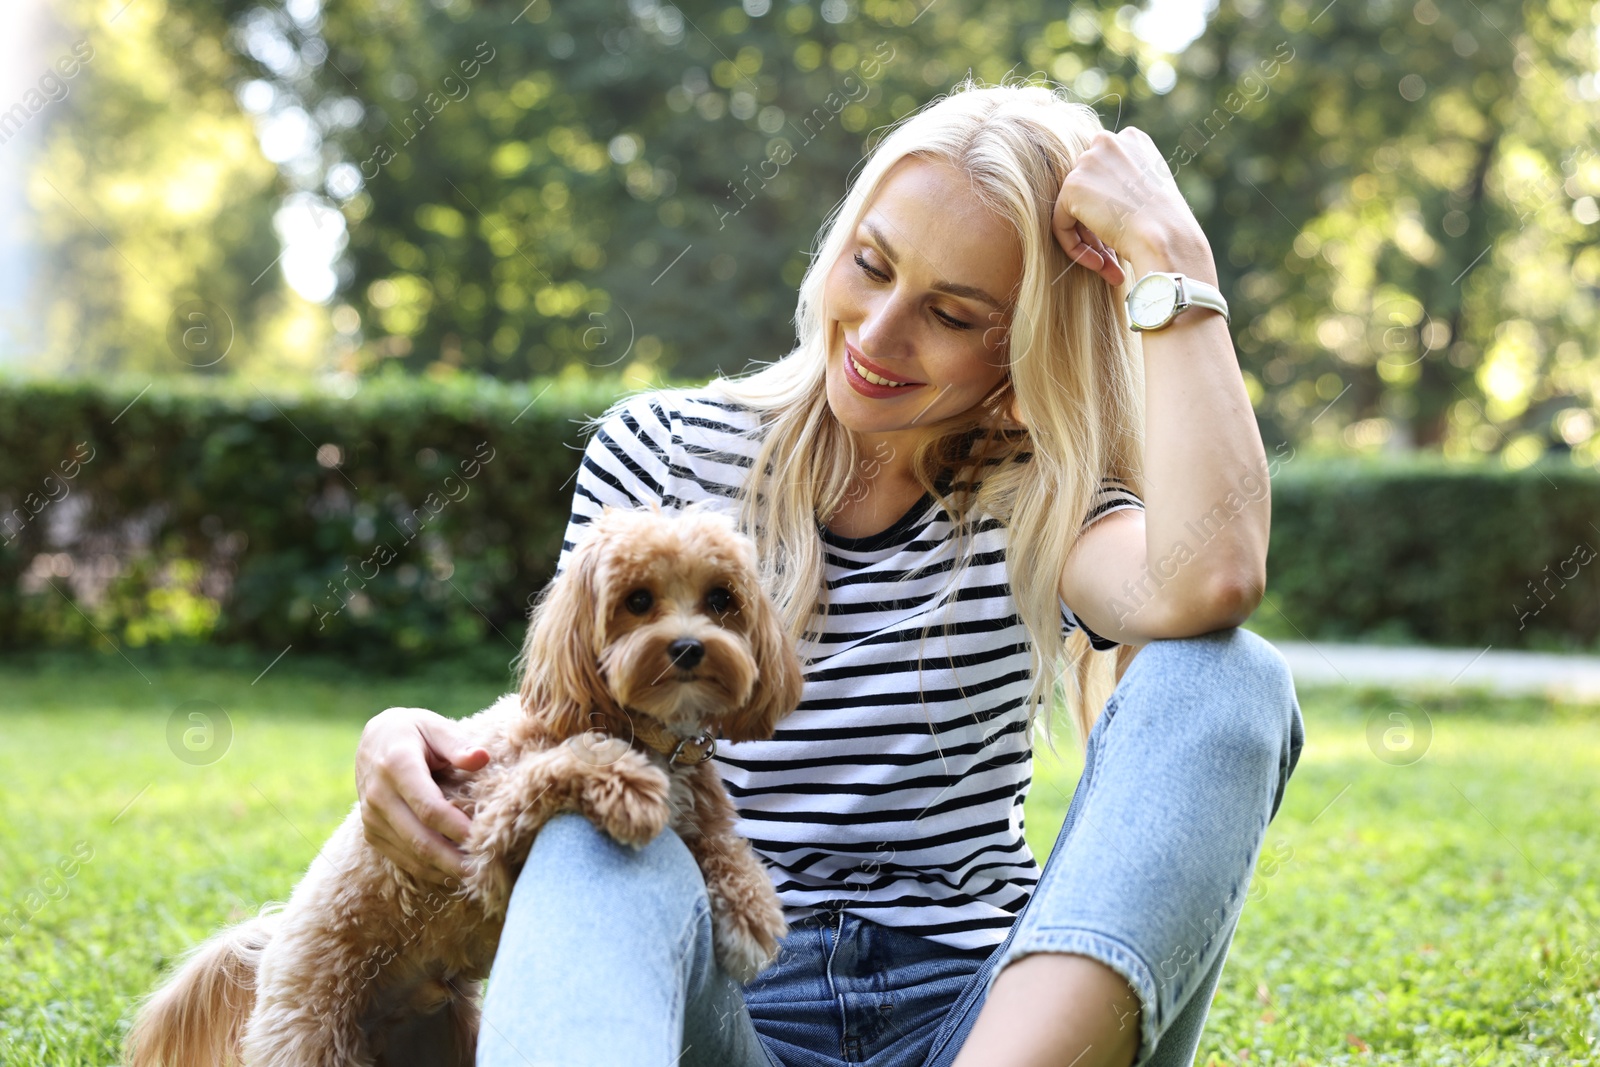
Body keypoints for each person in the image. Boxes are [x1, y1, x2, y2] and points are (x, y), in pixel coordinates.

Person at [355, 80, 1305, 1067]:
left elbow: (1214, 579)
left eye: (950, 312)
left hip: (991, 1020)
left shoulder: (1042, 502)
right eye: (872, 263)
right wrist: (412, 737)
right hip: (730, 996)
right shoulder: (664, 452)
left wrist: (1170, 254)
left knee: (1229, 678)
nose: (879, 333)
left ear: (1023, 354)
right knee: (597, 807)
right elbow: (577, 716)